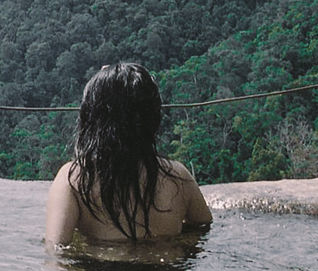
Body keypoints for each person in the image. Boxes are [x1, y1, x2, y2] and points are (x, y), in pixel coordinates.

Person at [45, 63, 212, 247]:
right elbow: (203, 227)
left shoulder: (74, 179)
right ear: (152, 118)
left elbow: (56, 255)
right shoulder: (178, 177)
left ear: (90, 118)